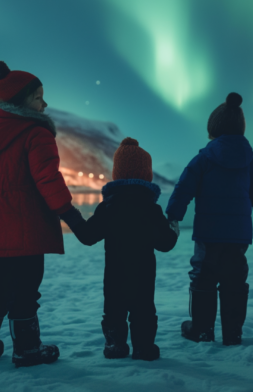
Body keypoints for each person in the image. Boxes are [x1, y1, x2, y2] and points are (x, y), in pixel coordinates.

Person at [0, 60, 84, 367]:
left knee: (0, 283)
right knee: (27, 288)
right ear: (21, 101)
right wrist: (71, 216)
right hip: (28, 222)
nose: (44, 103)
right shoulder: (36, 132)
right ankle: (28, 349)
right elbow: (47, 179)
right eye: (38, 97)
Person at [166, 92, 253, 346]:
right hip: (238, 236)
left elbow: (184, 187)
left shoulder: (205, 157)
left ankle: (201, 329)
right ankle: (232, 332)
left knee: (203, 277)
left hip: (208, 234)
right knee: (235, 280)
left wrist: (173, 216)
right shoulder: (248, 161)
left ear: (213, 128)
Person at [63, 137, 179, 361]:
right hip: (144, 273)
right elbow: (166, 244)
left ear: (117, 173)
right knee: (143, 310)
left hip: (114, 273)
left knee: (114, 309)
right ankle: (144, 348)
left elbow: (88, 237)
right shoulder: (151, 209)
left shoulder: (108, 207)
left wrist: (70, 215)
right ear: (147, 174)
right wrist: (173, 225)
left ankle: (115, 346)